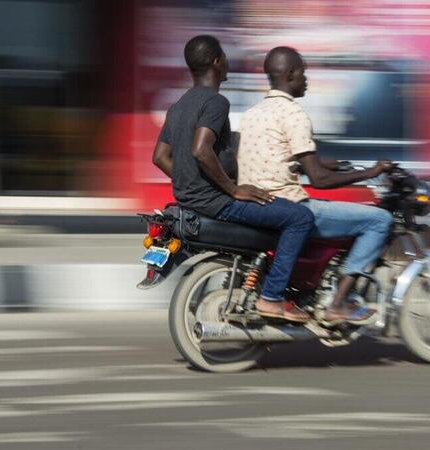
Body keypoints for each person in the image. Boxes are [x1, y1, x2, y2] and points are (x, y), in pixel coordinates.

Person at [152, 36, 314, 322]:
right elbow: (201, 149)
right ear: (216, 62)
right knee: (299, 218)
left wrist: (189, 180)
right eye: (224, 56)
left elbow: (160, 157)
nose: (227, 61)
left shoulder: (178, 106)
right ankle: (272, 297)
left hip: (191, 200)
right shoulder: (215, 102)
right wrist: (233, 189)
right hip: (218, 202)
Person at [236, 46, 394, 324]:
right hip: (288, 203)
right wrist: (370, 173)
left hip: (256, 204)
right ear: (290, 74)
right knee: (379, 219)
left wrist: (321, 164)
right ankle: (339, 303)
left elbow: (275, 159)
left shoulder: (253, 113)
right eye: (304, 73)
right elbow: (320, 181)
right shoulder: (294, 114)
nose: (307, 79)